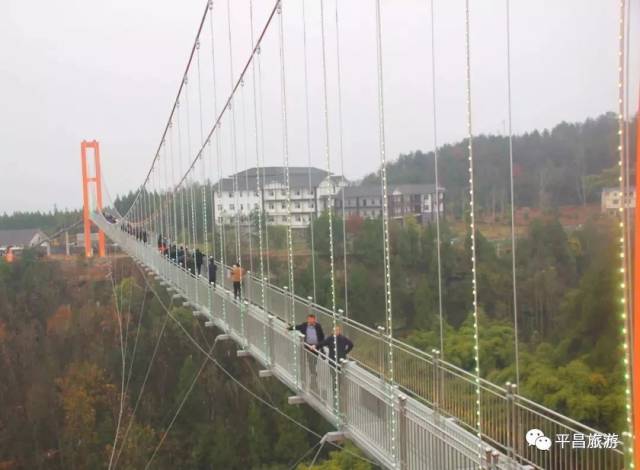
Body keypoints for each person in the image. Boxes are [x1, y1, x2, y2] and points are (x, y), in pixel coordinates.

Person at [289, 314, 325, 392]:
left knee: (315, 359)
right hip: (308, 346)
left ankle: (313, 369)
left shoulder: (318, 326)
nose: (312, 321)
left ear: (315, 319)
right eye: (310, 319)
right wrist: (289, 328)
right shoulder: (304, 325)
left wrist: (321, 345)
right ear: (308, 319)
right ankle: (313, 372)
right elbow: (296, 327)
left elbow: (322, 336)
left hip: (316, 346)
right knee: (309, 359)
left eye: (313, 319)